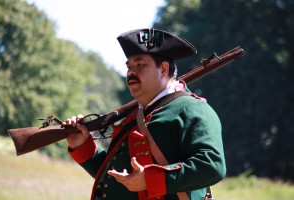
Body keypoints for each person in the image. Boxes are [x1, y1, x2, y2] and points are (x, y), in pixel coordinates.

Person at [63, 28, 226, 200]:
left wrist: (150, 180)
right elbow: (115, 179)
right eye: (129, 66)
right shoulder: (136, 115)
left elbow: (212, 166)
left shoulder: (192, 109)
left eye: (139, 65)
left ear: (163, 69)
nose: (131, 72)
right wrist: (82, 146)